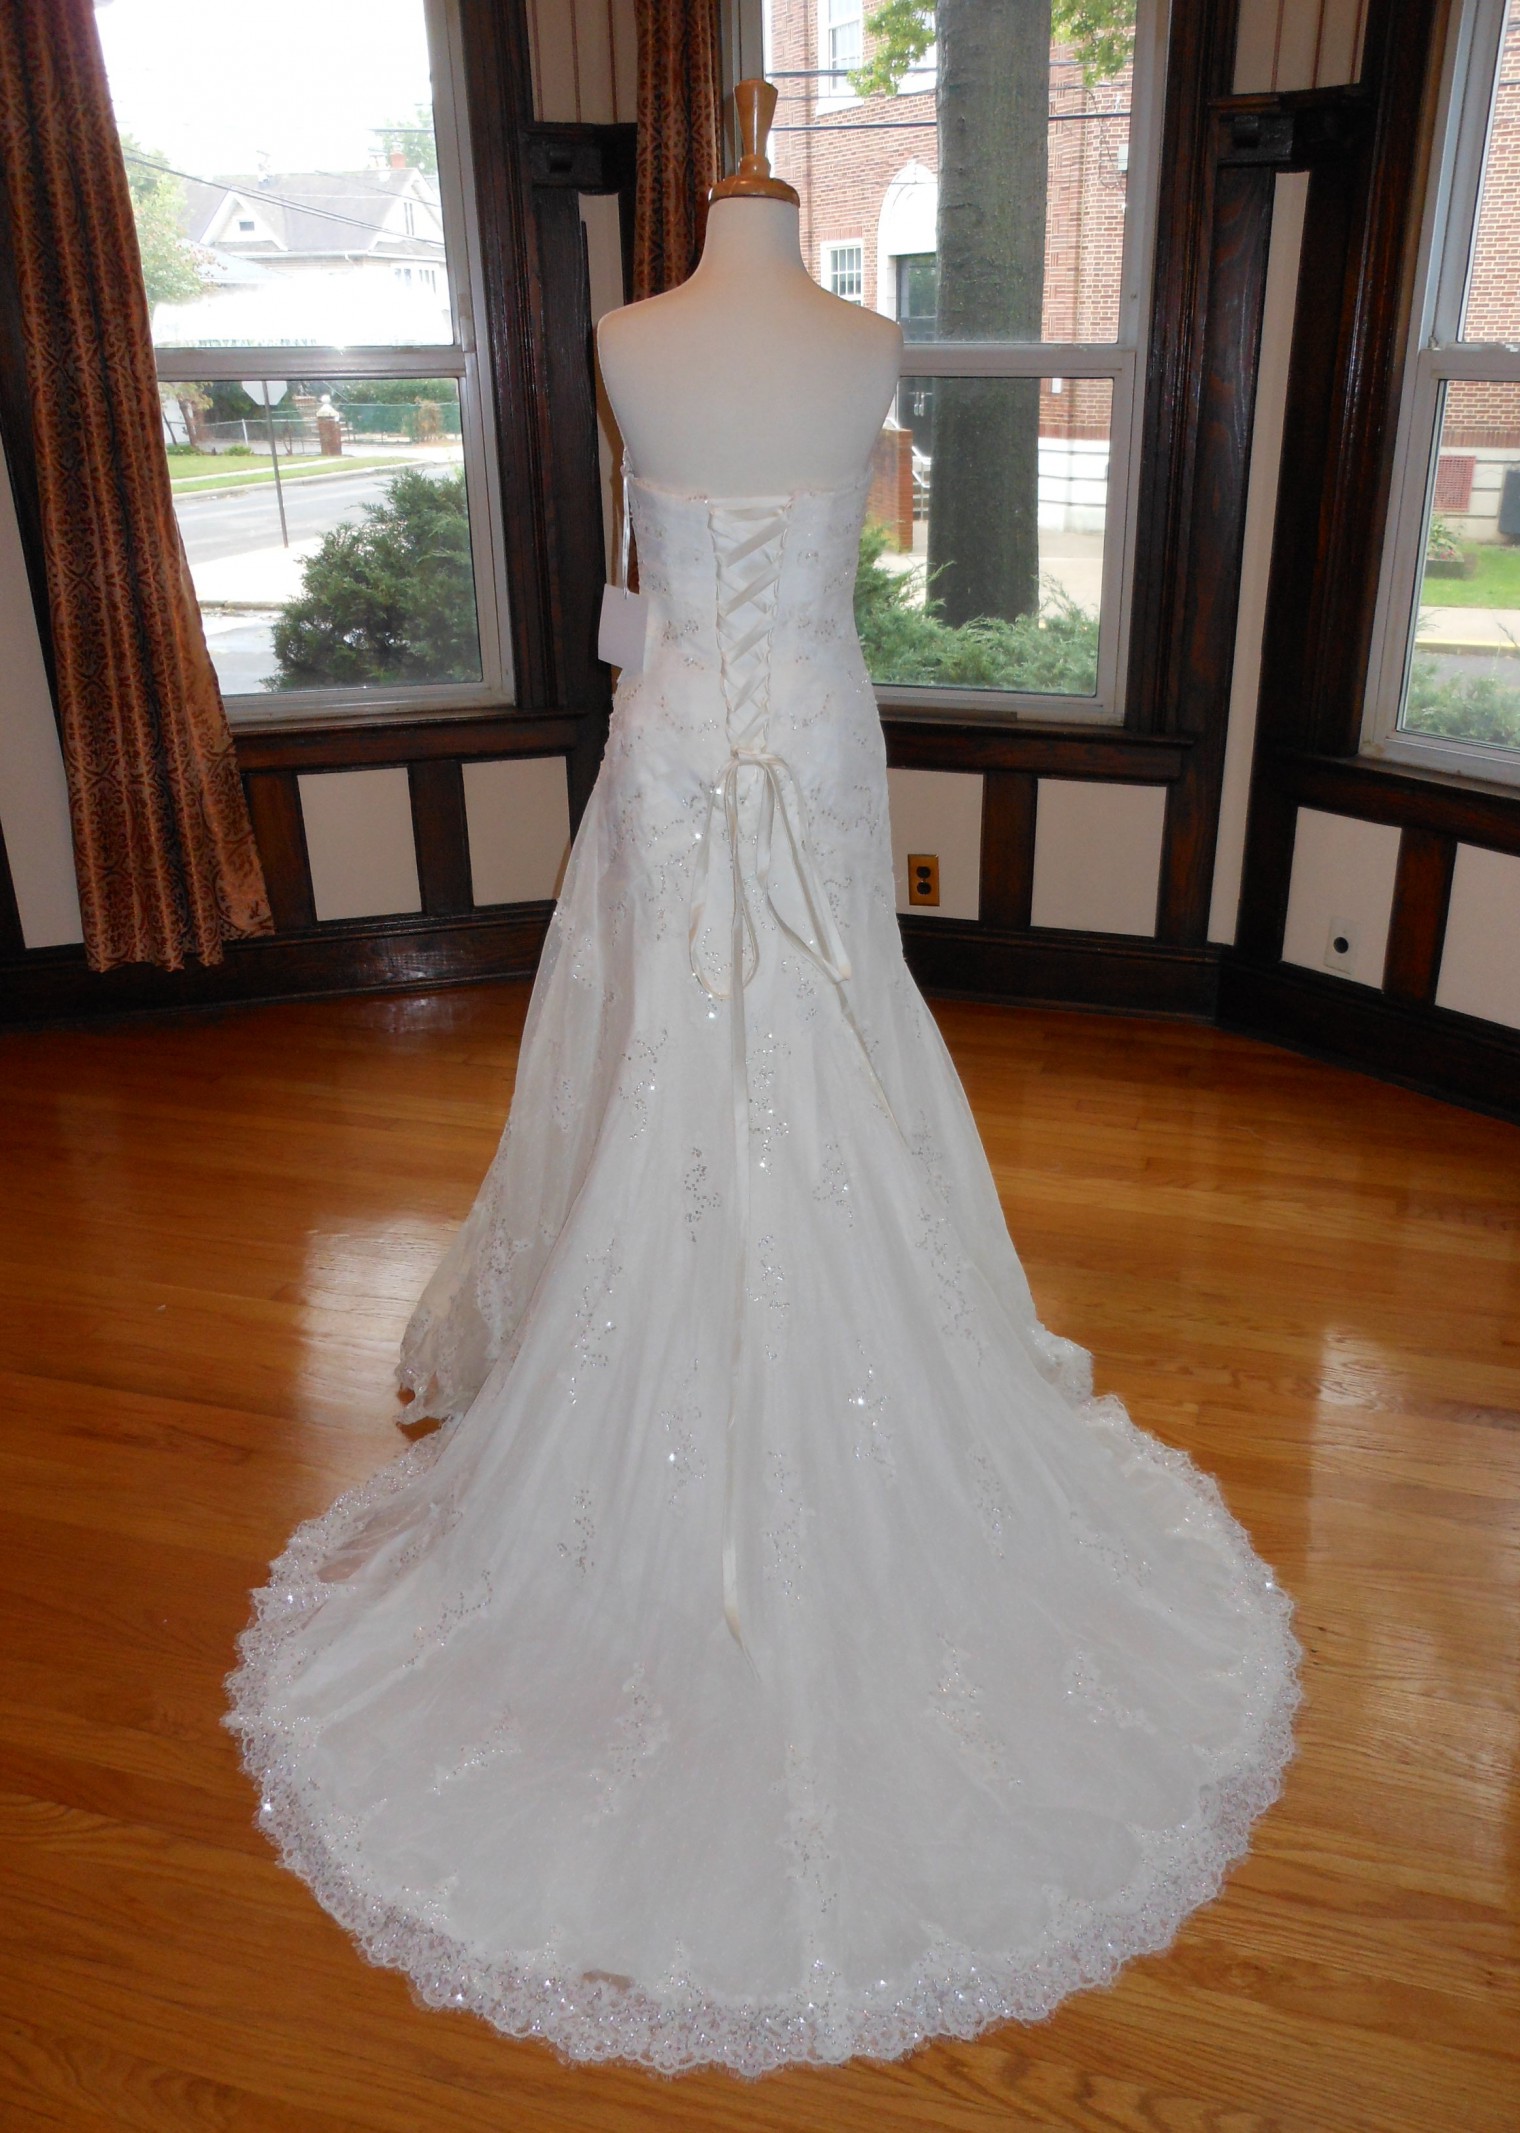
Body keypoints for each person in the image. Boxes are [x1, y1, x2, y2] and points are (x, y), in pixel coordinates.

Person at [223, 82, 1301, 2077]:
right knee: (674, 1058)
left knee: (817, 1032)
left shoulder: (823, 333)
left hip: (760, 742)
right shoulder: (654, 331)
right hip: (749, 737)